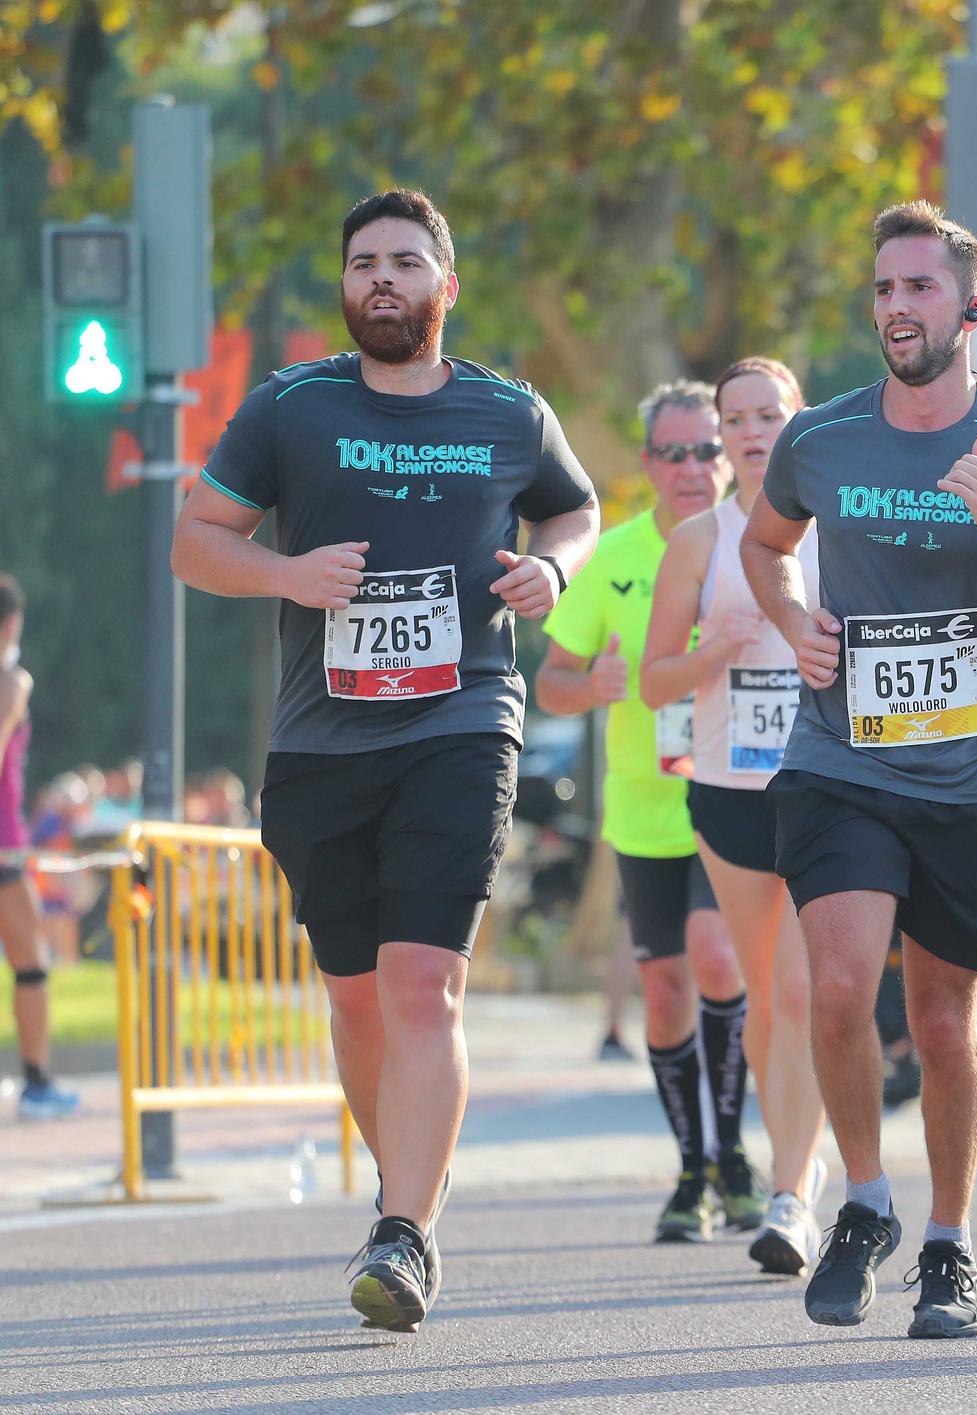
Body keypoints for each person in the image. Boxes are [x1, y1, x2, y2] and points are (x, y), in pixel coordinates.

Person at [172, 188, 599, 1332]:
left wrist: (551, 574)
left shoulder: (509, 410)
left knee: (424, 981)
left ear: (444, 289)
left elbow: (575, 512)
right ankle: (398, 1190)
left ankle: (405, 1231)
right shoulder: (290, 407)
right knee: (355, 998)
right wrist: (288, 574)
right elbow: (195, 539)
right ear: (345, 287)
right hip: (319, 737)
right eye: (364, 262)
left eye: (406, 262)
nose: (383, 280)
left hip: (461, 717)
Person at [741, 200, 977, 1338]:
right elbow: (763, 542)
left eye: (920, 289)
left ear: (970, 307)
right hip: (839, 757)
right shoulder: (823, 436)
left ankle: (947, 1241)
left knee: (944, 1023)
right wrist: (793, 618)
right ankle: (863, 1198)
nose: (897, 307)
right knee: (842, 985)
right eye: (885, 289)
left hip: (967, 774)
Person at [537, 378, 758, 1244]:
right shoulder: (615, 556)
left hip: (735, 799)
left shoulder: (759, 543)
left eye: (709, 448)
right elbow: (550, 682)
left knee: (714, 954)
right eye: (676, 452)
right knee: (663, 992)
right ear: (648, 465)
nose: (696, 467)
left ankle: (737, 1151)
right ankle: (694, 1164)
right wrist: (587, 686)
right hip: (643, 812)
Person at [640, 357, 830, 1272]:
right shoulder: (699, 541)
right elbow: (651, 684)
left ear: (798, 421)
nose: (751, 432)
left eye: (767, 415)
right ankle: (800, 1159)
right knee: (762, 1000)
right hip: (728, 790)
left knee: (803, 990)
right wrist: (711, 650)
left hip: (829, 787)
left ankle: (793, 1193)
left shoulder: (838, 525)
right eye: (736, 421)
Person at [0, 575, 81, 1120]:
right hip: (4, 846)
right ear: (11, 623)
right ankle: (36, 1084)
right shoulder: (12, 681)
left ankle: (37, 1082)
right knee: (30, 962)